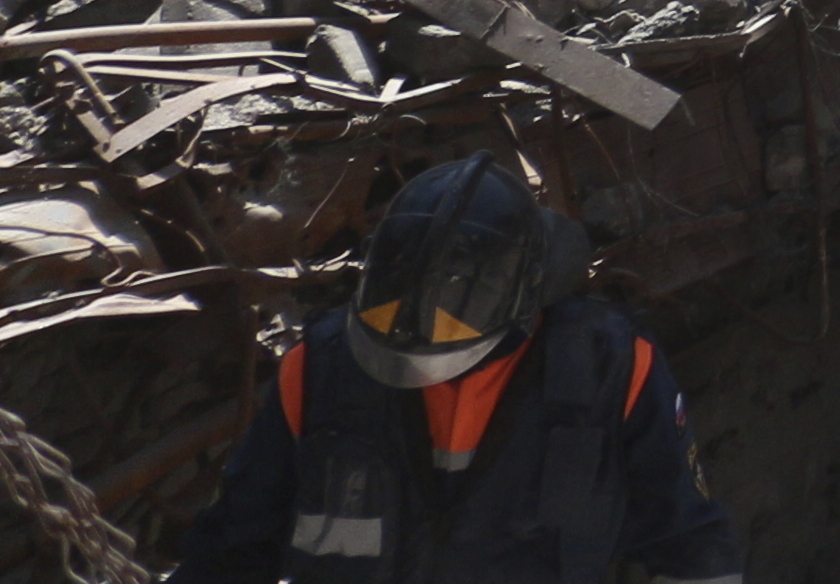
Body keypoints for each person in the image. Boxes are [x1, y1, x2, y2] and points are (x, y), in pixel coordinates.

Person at [170, 156, 737, 584]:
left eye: (453, 307)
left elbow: (688, 540)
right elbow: (231, 545)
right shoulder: (319, 368)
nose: (421, 332)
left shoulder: (610, 366)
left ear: (521, 300)